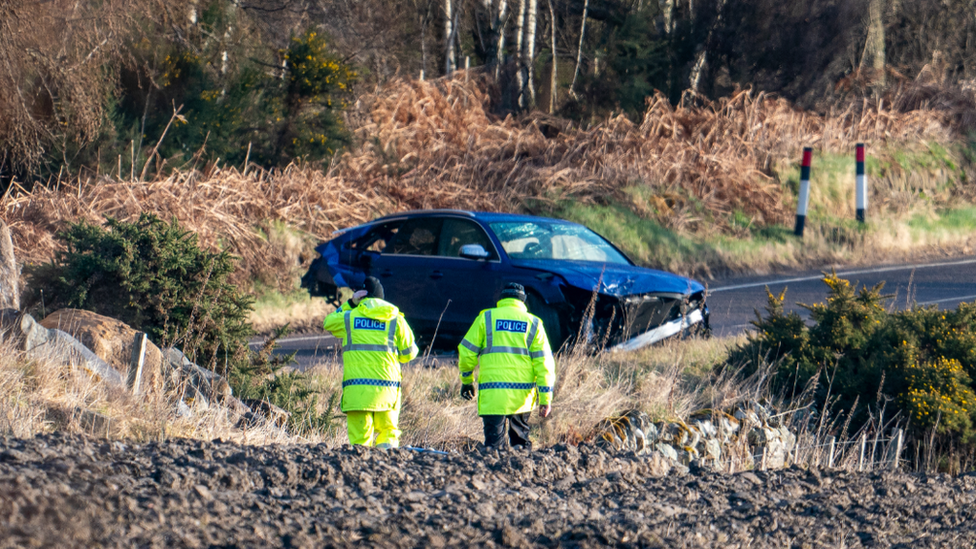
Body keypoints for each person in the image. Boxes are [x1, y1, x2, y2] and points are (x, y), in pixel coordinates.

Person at [457, 282, 556, 449]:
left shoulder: (486, 318)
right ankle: (521, 474)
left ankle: (493, 474)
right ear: (523, 301)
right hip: (522, 398)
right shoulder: (534, 323)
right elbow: (544, 363)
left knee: (493, 449)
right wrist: (545, 398)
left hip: (493, 395)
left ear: (502, 299)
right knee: (521, 447)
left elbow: (466, 352)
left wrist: (467, 380)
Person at [323, 277, 418, 448]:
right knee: (388, 433)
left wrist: (350, 303)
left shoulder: (349, 317)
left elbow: (328, 322)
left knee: (360, 441)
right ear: (381, 298)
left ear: (362, 297)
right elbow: (410, 354)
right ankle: (385, 470)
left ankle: (361, 472)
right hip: (387, 391)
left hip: (357, 392)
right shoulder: (396, 319)